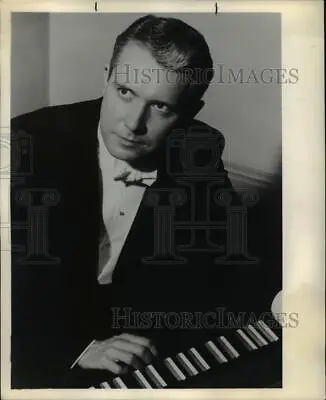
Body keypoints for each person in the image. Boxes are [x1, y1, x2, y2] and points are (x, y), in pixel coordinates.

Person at [10, 14, 281, 388]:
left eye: (161, 107)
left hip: (137, 324)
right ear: (106, 76)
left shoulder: (198, 147)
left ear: (189, 114)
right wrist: (74, 348)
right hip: (41, 332)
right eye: (125, 92)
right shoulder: (26, 143)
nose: (133, 124)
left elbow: (229, 256)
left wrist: (288, 297)